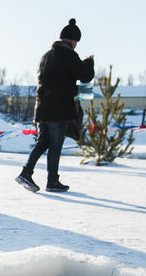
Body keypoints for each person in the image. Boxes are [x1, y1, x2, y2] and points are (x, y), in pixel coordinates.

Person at [16, 18, 94, 193]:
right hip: (59, 108)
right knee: (56, 144)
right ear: (72, 40)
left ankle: (26, 173)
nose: (76, 44)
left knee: (43, 142)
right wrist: (89, 63)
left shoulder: (46, 56)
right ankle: (52, 181)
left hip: (43, 108)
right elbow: (85, 75)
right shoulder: (68, 54)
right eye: (76, 41)